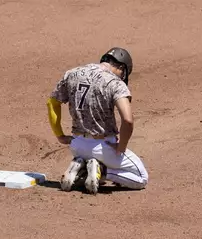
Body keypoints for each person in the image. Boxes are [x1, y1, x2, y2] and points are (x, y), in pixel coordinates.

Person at [46, 47, 148, 194]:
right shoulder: (115, 83)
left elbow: (52, 102)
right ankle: (102, 170)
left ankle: (81, 166)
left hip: (77, 145)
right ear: (121, 67)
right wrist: (121, 147)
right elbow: (128, 120)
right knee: (141, 177)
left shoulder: (72, 74)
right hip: (103, 147)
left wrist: (60, 135)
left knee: (89, 157)